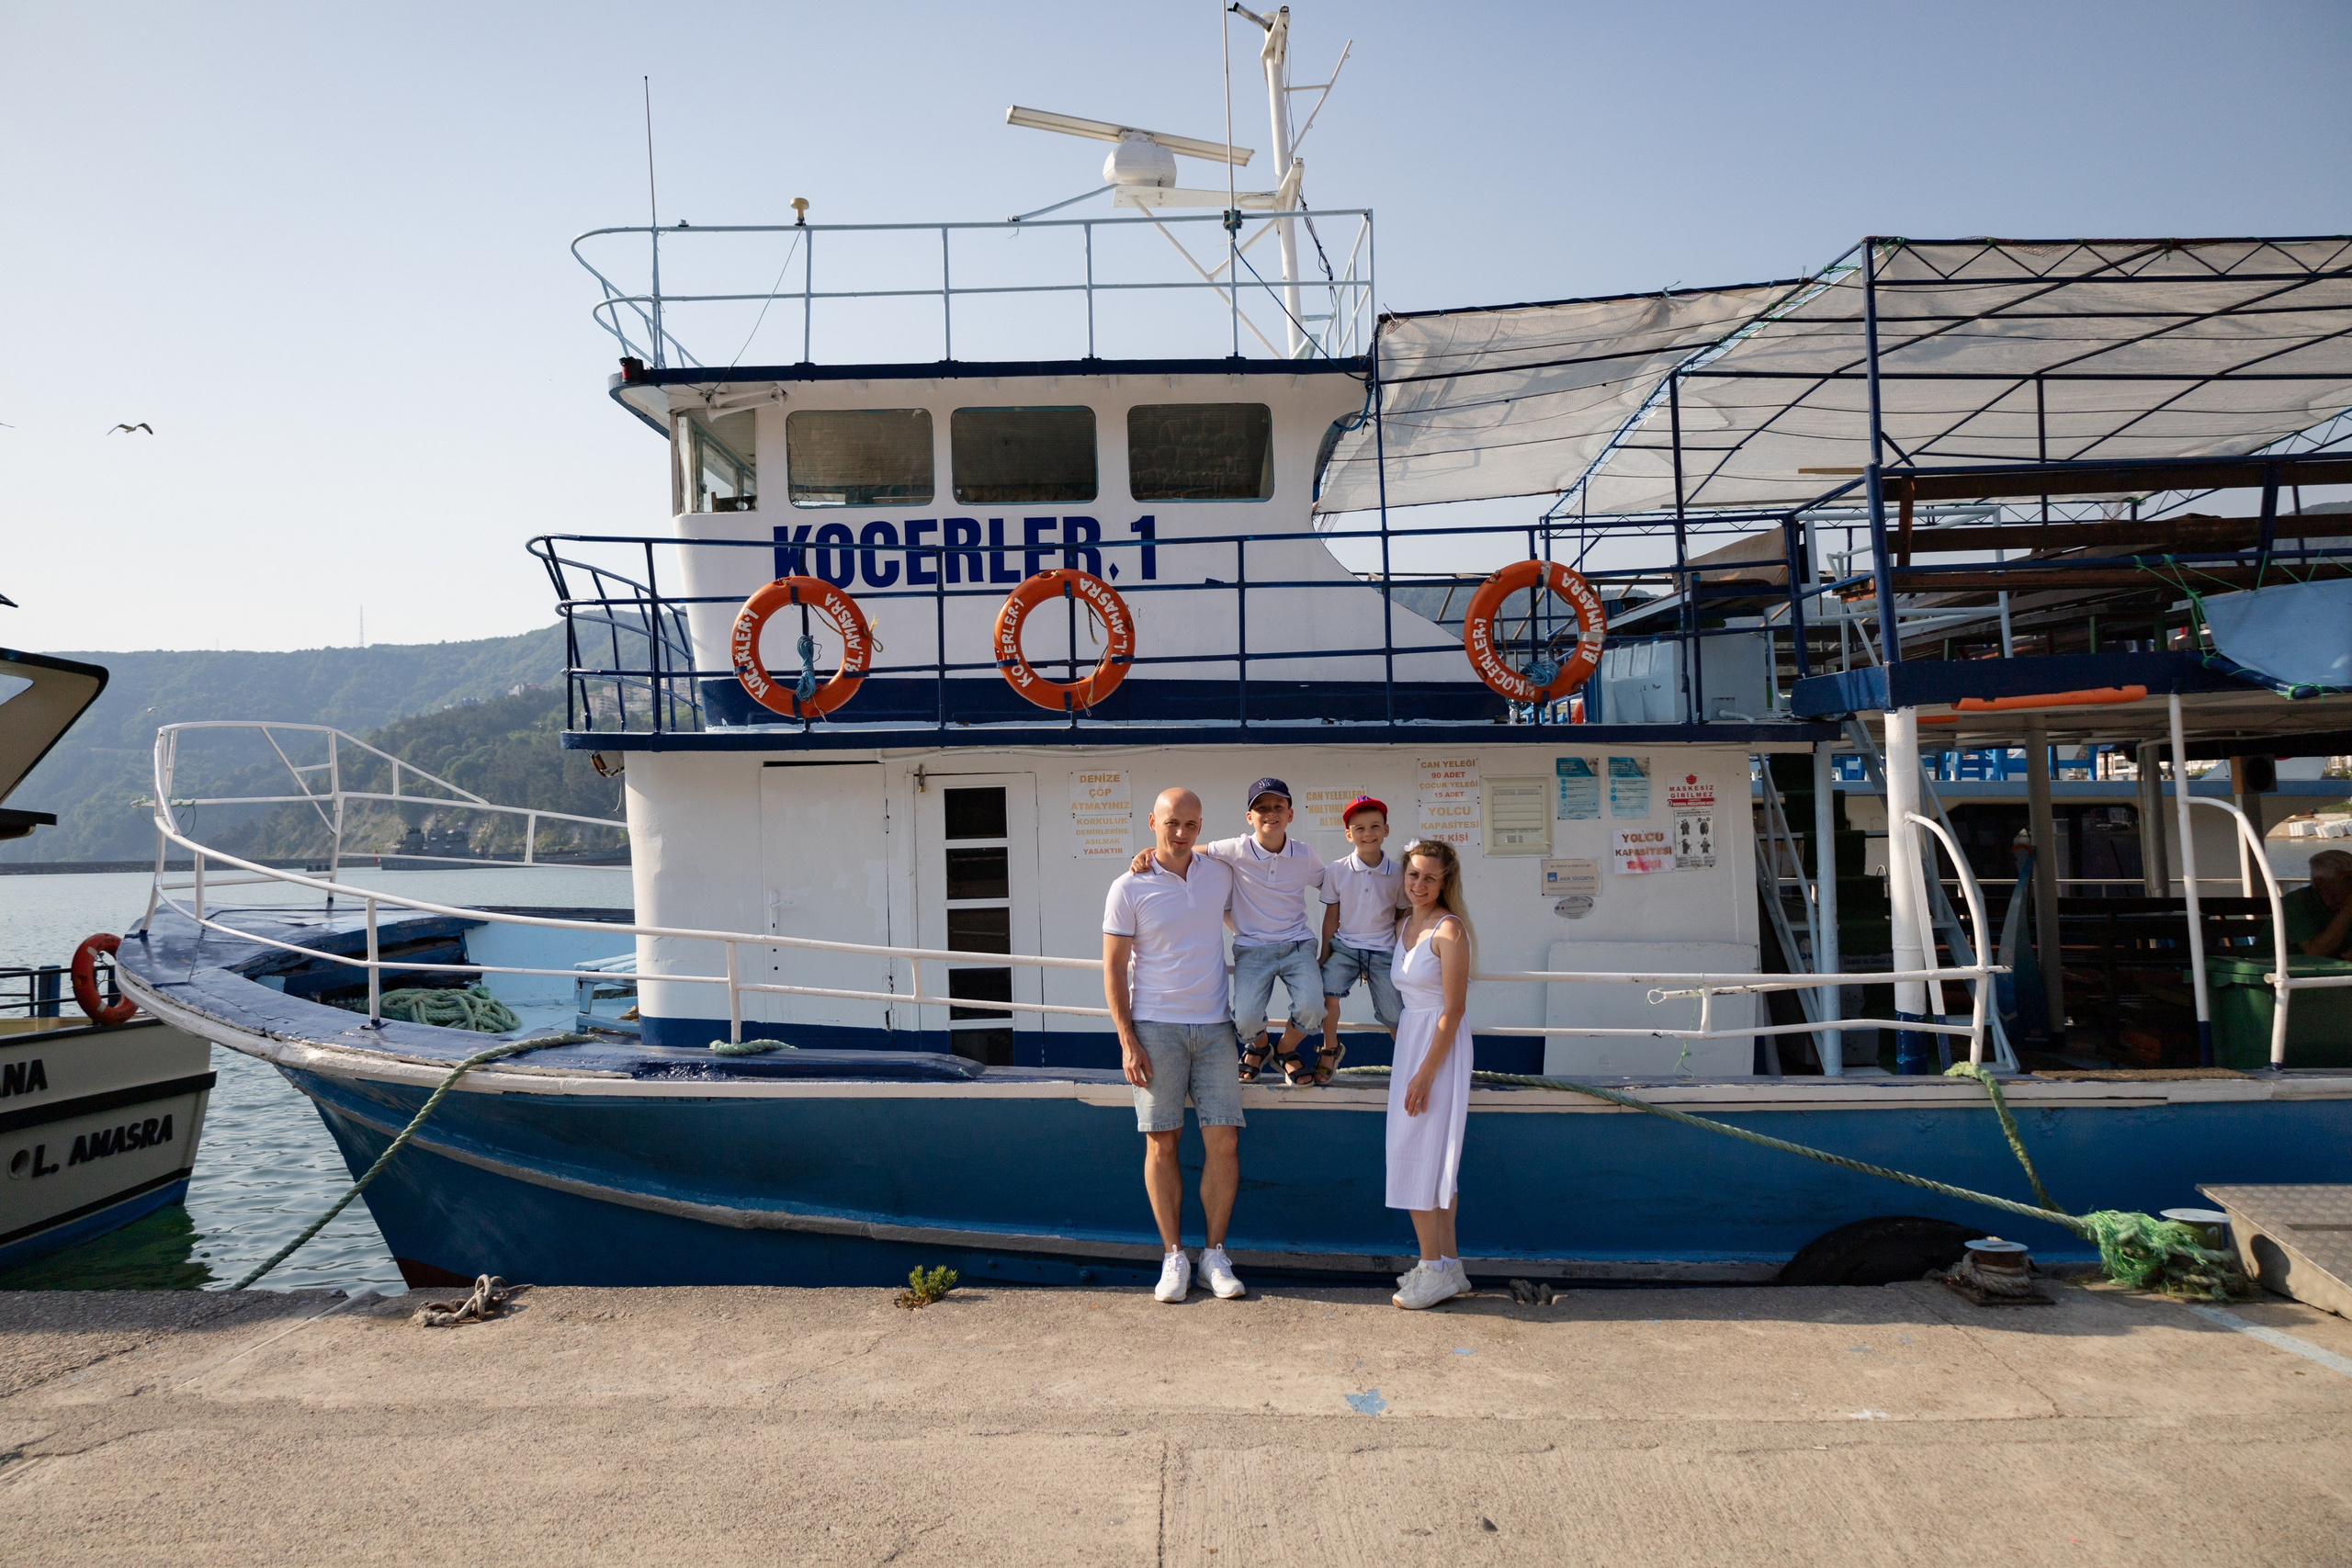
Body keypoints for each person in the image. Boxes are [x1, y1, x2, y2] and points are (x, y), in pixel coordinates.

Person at [1102, 786, 1249, 1303]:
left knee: (1224, 1141)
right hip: (1155, 1028)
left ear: (1201, 826)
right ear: (1152, 822)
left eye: (1191, 824)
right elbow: (1114, 967)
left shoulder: (1218, 872)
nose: (1182, 834)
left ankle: (1214, 1255)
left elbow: (1253, 860)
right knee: (1161, 1141)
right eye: (1171, 825)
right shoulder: (1128, 886)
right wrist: (1127, 1039)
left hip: (1215, 1029)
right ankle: (1172, 1258)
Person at [1131, 777, 1327, 1087]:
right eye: (1260, 808)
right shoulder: (1235, 849)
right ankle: (1258, 1047)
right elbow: (1183, 850)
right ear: (1249, 817)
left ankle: (1286, 1050)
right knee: (1246, 1021)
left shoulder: (1305, 855)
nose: (1270, 813)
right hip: (1252, 949)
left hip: (1298, 946)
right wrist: (1147, 852)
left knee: (1314, 1008)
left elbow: (1334, 887)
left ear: (1290, 814)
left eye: (1278, 806)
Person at [1386, 839, 1476, 1311]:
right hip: (1412, 1040)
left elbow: (1454, 1009)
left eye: (1430, 877)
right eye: (1413, 874)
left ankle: (1432, 1269)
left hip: (1438, 1048)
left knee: (1418, 1151)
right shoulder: (1404, 924)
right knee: (1430, 1156)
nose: (1419, 884)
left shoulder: (1450, 930)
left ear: (1445, 882)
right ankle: (1449, 1265)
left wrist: (1424, 1074)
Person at [1316, 795, 1408, 1086]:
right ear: (1348, 834)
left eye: (1374, 827)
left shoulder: (1398, 873)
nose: (1367, 834)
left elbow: (1402, 916)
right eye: (1359, 829)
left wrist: (1403, 953)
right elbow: (1332, 915)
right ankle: (1330, 1048)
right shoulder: (1337, 870)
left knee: (1396, 1012)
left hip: (1383, 949)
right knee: (1328, 993)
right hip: (1345, 946)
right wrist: (1325, 953)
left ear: (1386, 830)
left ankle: (1408, 1061)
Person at [2286, 849, 2352, 959]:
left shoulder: (2341, 903)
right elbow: (2315, 953)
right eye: (2348, 879)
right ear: (2320, 883)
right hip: (2272, 971)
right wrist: (2348, 910)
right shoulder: (2296, 902)